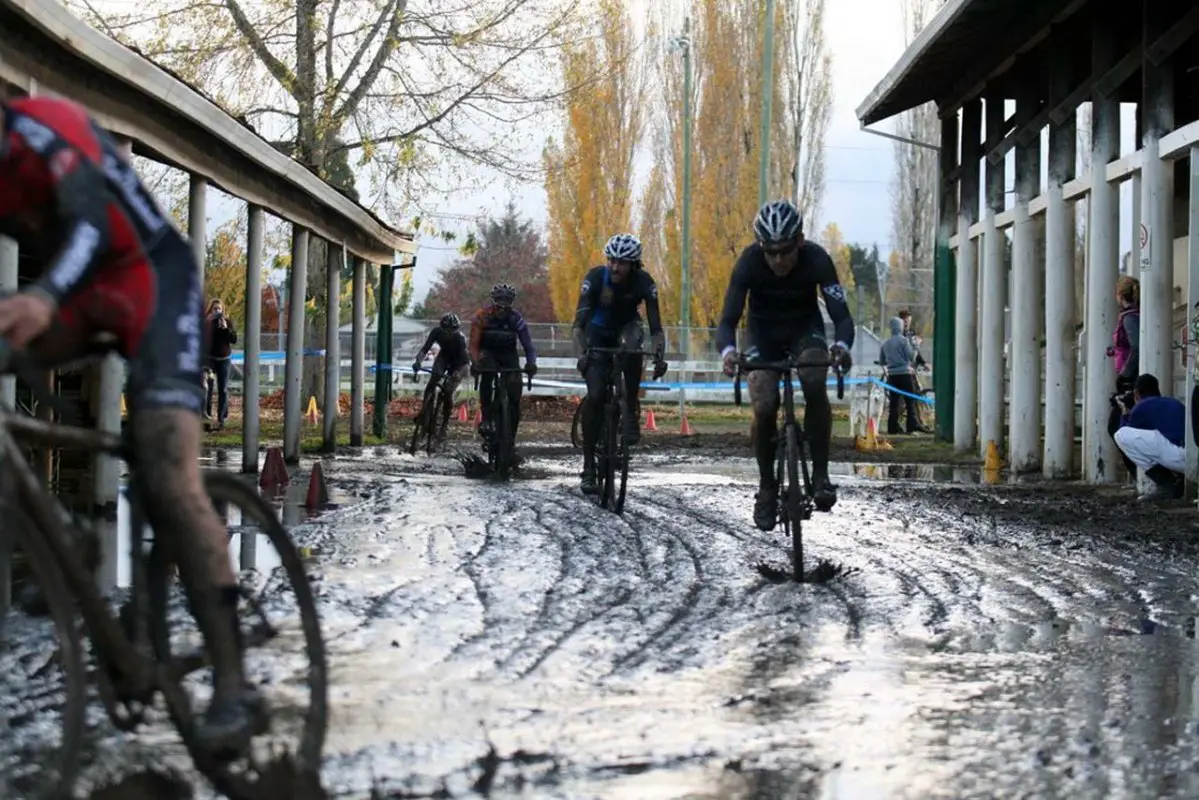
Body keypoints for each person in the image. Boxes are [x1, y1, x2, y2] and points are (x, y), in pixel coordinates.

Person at [0, 94, 260, 751]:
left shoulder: (43, 127)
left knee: (169, 475)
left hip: (151, 282)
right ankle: (63, 532)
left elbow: (89, 223)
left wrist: (42, 295)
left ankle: (234, 683)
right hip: (78, 298)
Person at [716, 199, 854, 530]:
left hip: (805, 331)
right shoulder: (749, 262)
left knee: (814, 377)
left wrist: (841, 346)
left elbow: (842, 317)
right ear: (761, 246)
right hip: (763, 335)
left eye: (786, 251)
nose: (778, 260)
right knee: (763, 403)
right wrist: (728, 353)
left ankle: (820, 473)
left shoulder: (818, 259)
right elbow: (727, 321)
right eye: (771, 252)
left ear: (800, 241)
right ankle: (766, 487)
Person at [571, 233, 668, 495]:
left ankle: (631, 408)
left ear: (634, 265)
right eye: (612, 261)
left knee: (634, 347)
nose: (615, 267)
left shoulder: (645, 282)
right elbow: (577, 327)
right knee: (596, 394)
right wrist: (582, 355)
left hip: (627, 328)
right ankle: (589, 466)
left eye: (622, 263)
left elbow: (656, 328)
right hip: (596, 333)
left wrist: (660, 354)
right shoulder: (594, 278)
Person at [468, 283, 537, 450]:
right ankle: (486, 417)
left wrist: (531, 362)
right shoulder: (482, 316)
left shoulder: (516, 318)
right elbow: (473, 344)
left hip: (508, 355)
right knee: (488, 372)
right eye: (499, 304)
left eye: (506, 304)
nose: (502, 309)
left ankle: (510, 439)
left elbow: (528, 345)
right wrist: (475, 362)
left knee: (514, 396)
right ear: (493, 302)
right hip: (488, 352)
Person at [1113, 373, 1185, 501]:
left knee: (1120, 435)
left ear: (1136, 393)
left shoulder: (1141, 406)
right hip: (1191, 456)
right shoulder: (1174, 402)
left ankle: (1167, 484)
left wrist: (1124, 413)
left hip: (1177, 458)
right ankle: (1180, 481)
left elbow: (1125, 432)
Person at [412, 312, 470, 436]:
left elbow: (466, 364)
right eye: (446, 331)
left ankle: (445, 423)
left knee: (449, 391)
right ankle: (425, 412)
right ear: (441, 328)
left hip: (458, 364)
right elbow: (425, 349)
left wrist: (458, 374)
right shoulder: (436, 332)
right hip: (444, 358)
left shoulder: (460, 338)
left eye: (451, 331)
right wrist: (418, 362)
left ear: (456, 330)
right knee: (434, 378)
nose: (448, 333)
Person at [1107, 276, 1140, 474]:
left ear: (1119, 295)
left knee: (1115, 427)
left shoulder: (1128, 317)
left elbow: (1135, 346)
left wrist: (1125, 374)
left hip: (1129, 380)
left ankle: (1138, 473)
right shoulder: (1135, 315)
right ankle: (1138, 474)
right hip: (1133, 378)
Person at [879, 316, 925, 435]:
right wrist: (916, 346)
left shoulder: (886, 343)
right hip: (905, 374)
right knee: (910, 401)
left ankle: (892, 428)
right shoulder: (904, 341)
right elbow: (912, 356)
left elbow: (882, 361)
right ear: (900, 327)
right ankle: (911, 427)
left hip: (892, 376)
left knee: (894, 403)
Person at [205, 298, 238, 429]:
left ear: (223, 310)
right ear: (210, 310)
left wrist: (225, 328)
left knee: (223, 389)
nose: (217, 311)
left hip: (224, 359)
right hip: (210, 359)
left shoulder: (227, 322)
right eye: (214, 309)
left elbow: (233, 339)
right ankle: (206, 416)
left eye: (219, 309)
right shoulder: (207, 323)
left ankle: (222, 418)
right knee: (207, 388)